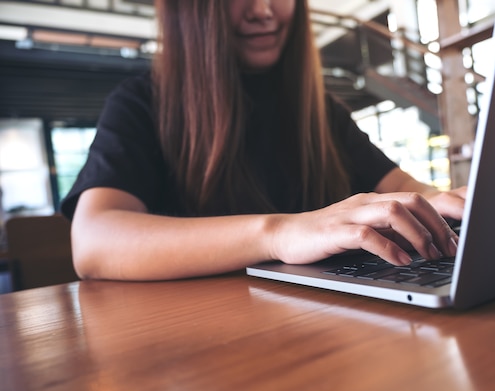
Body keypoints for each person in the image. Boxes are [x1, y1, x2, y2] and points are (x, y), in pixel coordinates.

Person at [61, 0, 467, 281]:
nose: (263, 10)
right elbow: (94, 242)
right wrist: (279, 234)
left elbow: (395, 185)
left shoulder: (319, 109)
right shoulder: (141, 104)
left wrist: (438, 201)